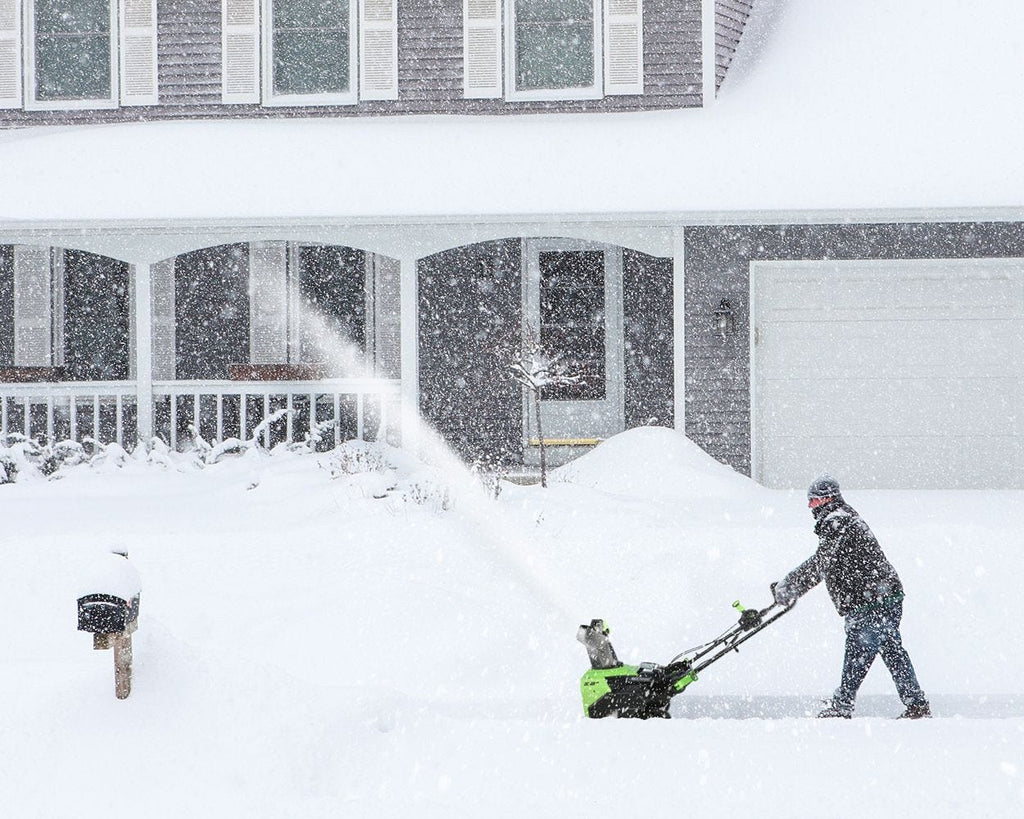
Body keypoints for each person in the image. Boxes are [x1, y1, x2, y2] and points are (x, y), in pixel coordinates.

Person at [772, 475, 931, 719]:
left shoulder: (838, 522)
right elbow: (827, 563)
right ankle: (916, 704)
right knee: (891, 651)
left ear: (826, 499)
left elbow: (821, 564)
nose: (809, 507)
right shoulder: (844, 519)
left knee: (859, 648)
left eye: (812, 502)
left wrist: (790, 586)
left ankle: (843, 704)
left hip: (871, 600)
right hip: (883, 595)